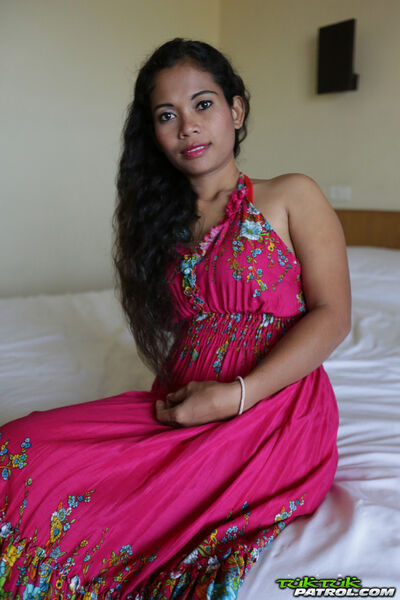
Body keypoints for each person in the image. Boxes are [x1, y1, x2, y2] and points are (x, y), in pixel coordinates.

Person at [0, 38, 351, 599]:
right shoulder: (162, 224)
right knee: (16, 450)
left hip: (273, 410)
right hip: (182, 402)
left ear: (236, 111)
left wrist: (236, 395)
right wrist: (199, 396)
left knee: (120, 510)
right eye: (167, 115)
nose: (188, 126)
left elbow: (333, 316)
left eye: (203, 104)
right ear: (155, 135)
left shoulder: (291, 195)